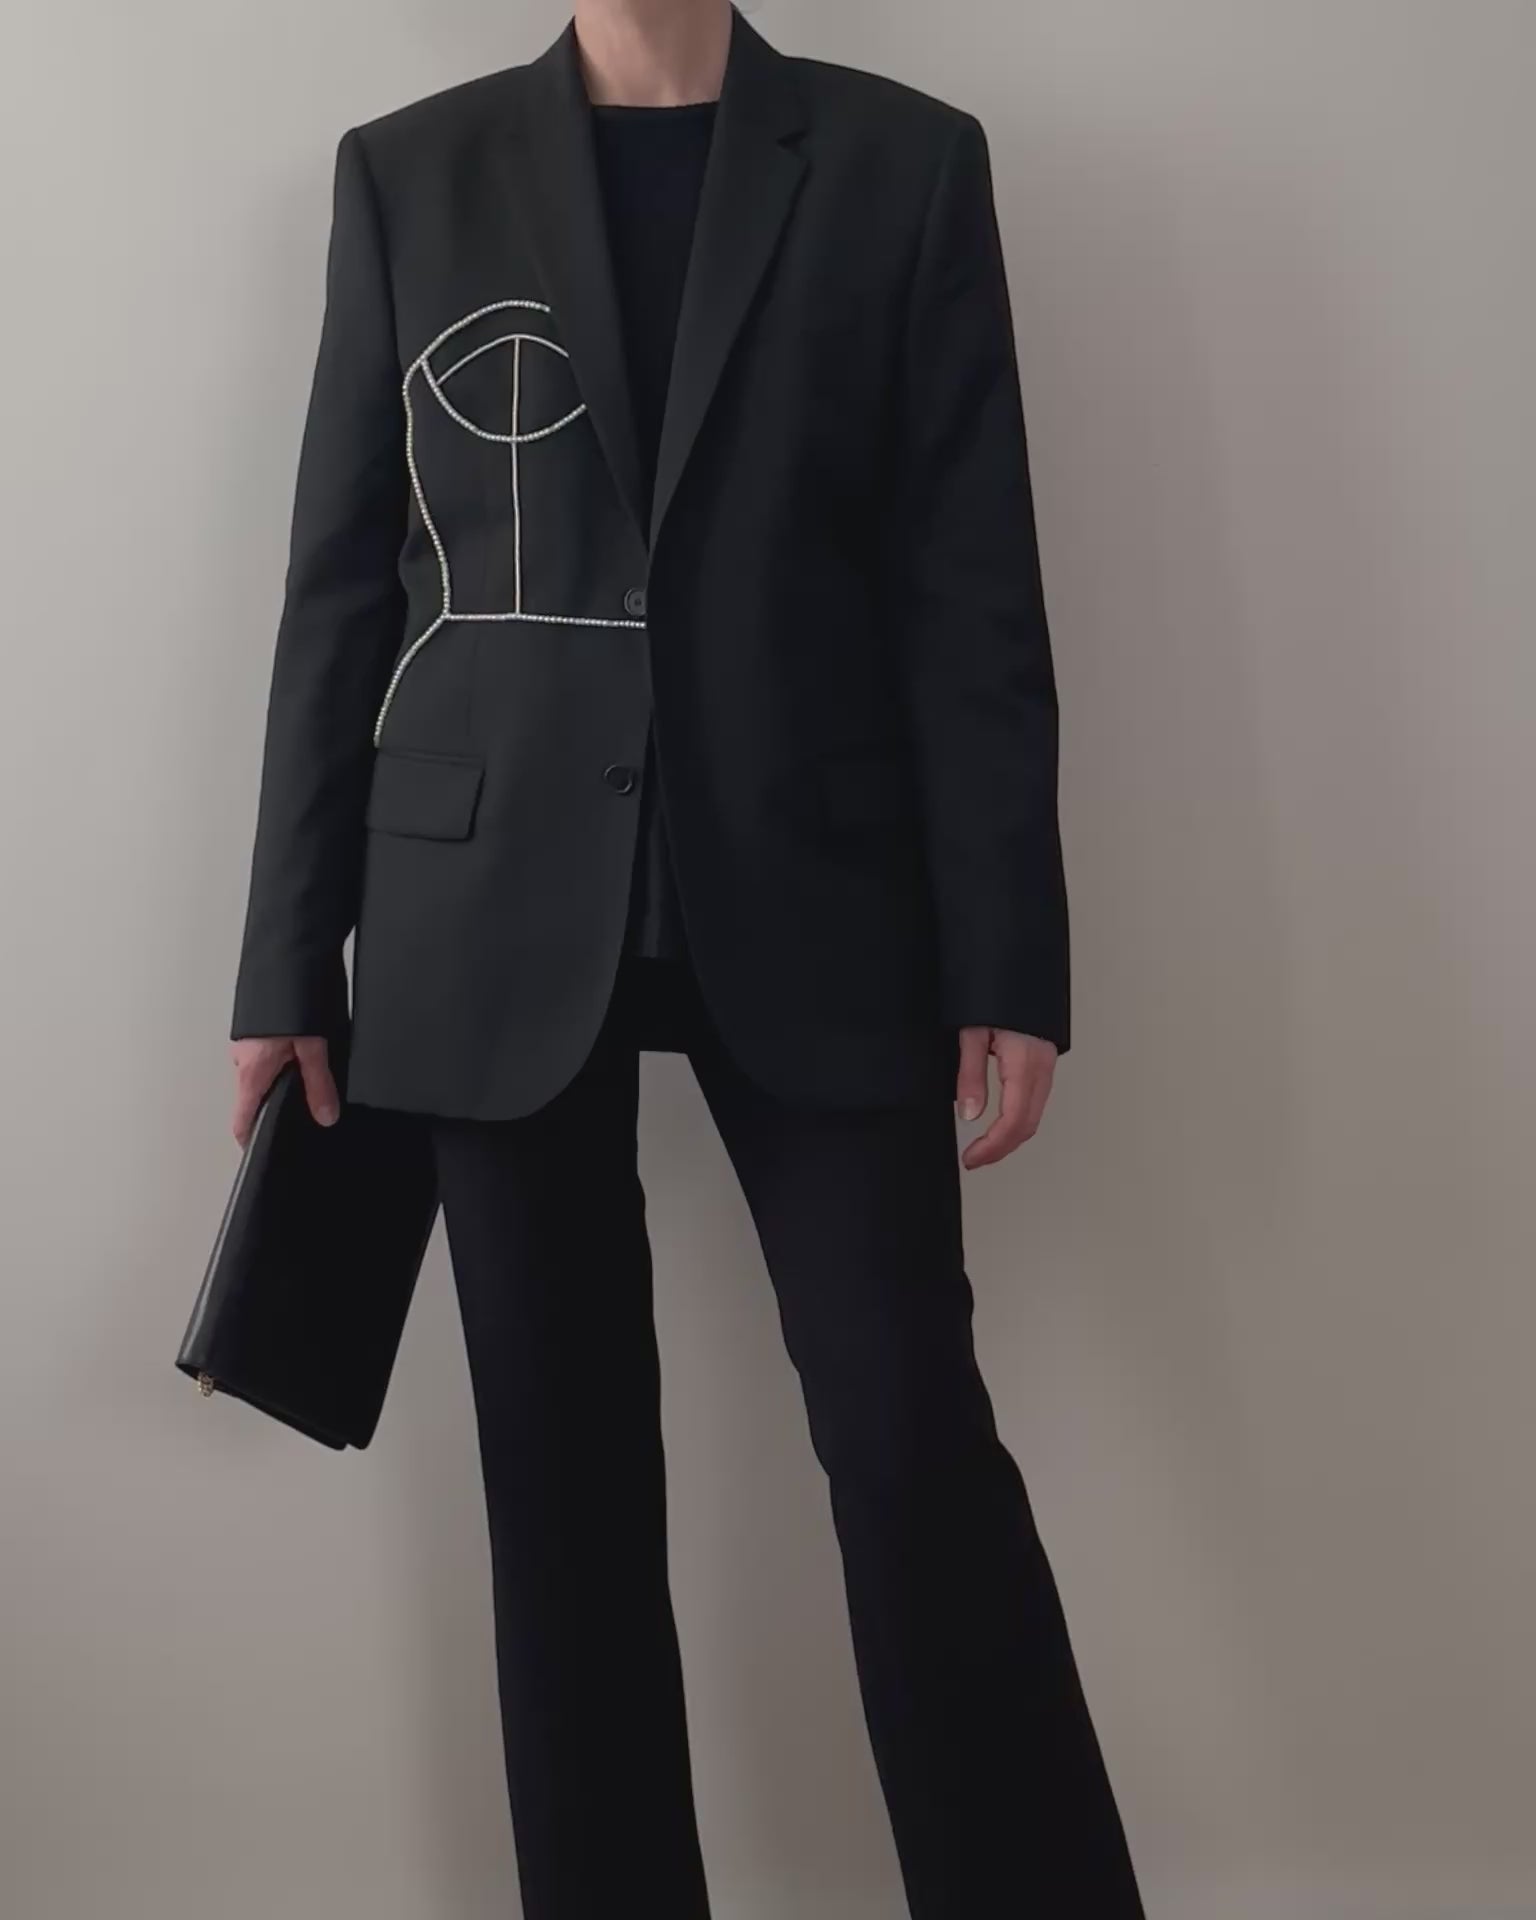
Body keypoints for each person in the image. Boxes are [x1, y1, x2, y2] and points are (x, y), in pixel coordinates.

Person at [227, 1, 1145, 1912]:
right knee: (560, 1496)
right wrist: (282, 962)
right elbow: (340, 585)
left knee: (907, 1441)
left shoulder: (905, 166)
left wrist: (1009, 947)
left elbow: (971, 582)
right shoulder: (409, 175)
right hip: (484, 910)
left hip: (819, 892)